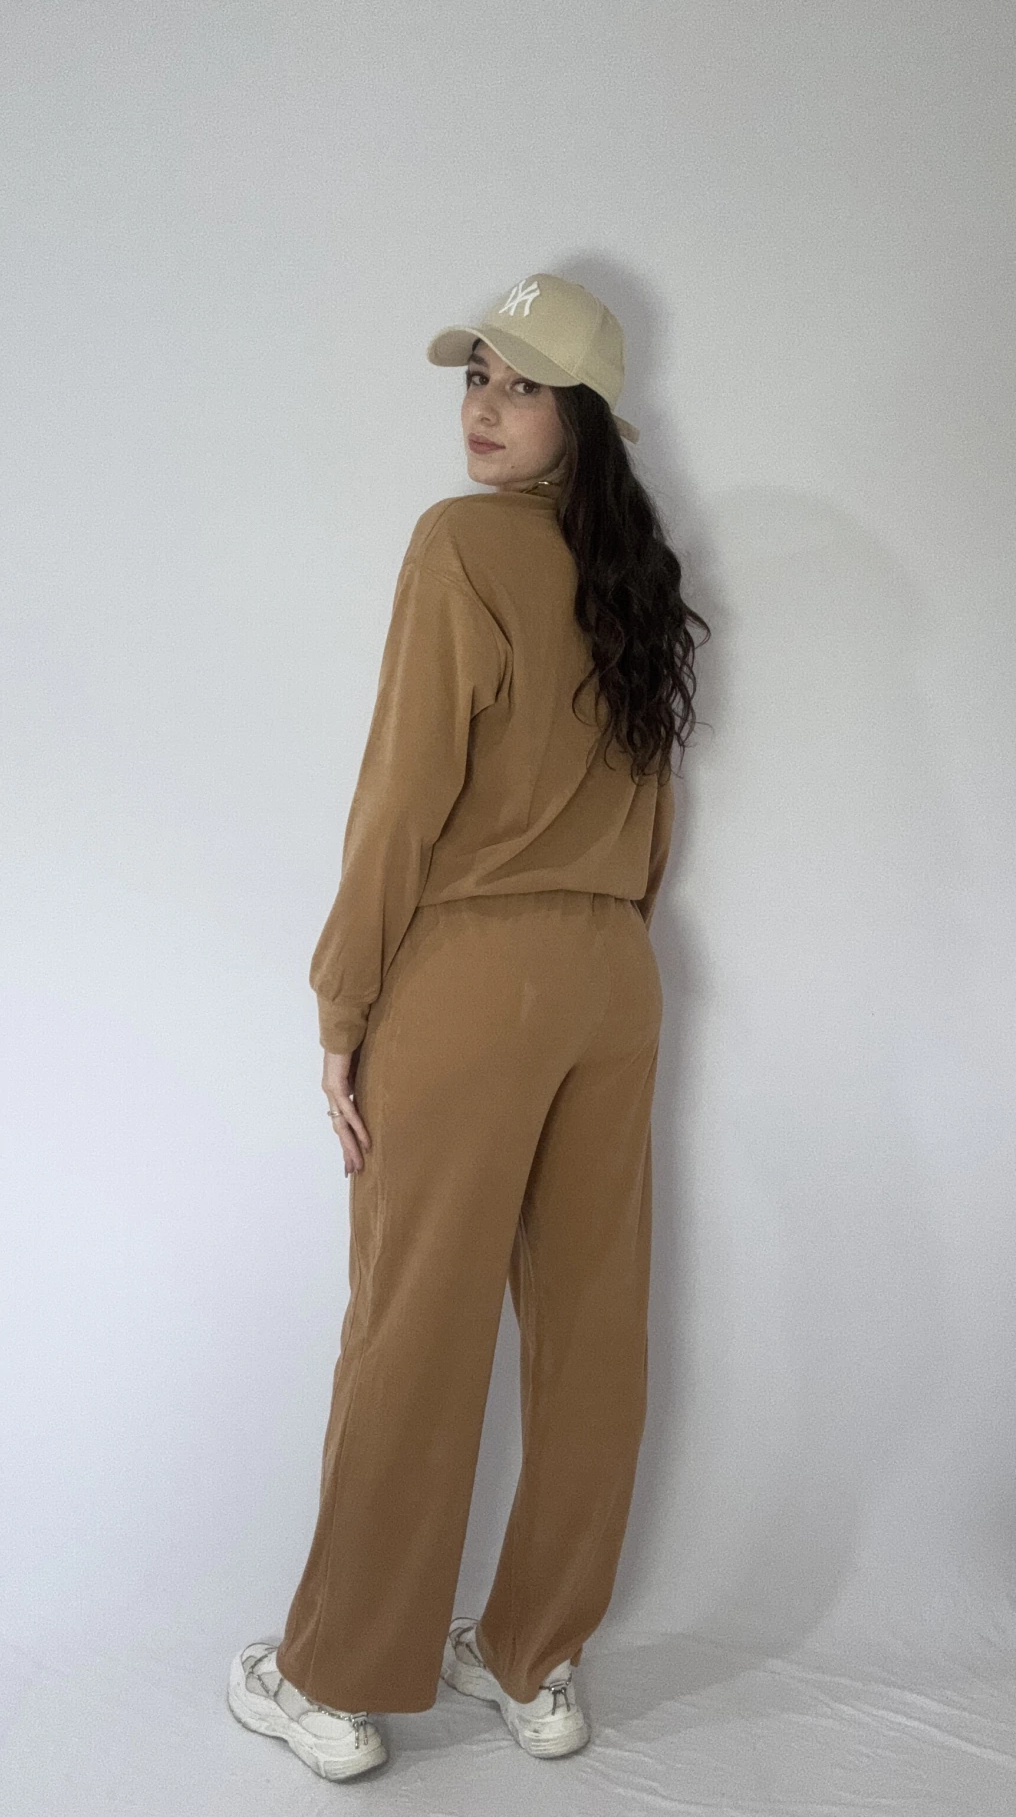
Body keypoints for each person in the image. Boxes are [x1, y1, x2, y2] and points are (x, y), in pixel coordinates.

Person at [227, 272, 711, 1782]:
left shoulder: (459, 546)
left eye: (519, 385)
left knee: (414, 1325)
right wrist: (599, 935)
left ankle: (335, 1680)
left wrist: (343, 999)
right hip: (614, 976)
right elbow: (654, 812)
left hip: (475, 976)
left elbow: (402, 795)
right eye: (476, 379)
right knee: (592, 1329)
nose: (483, 410)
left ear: (585, 414)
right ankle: (533, 1659)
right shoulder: (638, 572)